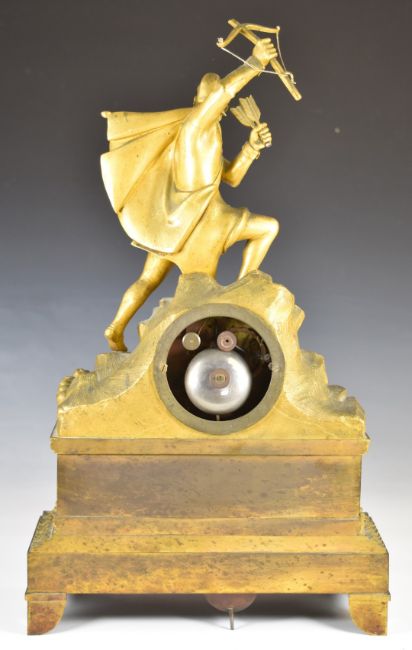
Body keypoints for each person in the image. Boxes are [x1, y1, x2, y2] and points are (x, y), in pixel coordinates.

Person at [102, 38, 279, 352]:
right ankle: (238, 296)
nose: (212, 101)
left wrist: (251, 147)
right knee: (202, 293)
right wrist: (254, 63)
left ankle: (116, 327)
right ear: (201, 102)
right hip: (201, 223)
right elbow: (224, 93)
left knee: (148, 278)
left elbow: (231, 177)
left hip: (180, 221)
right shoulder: (194, 127)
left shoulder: (207, 134)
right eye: (209, 98)